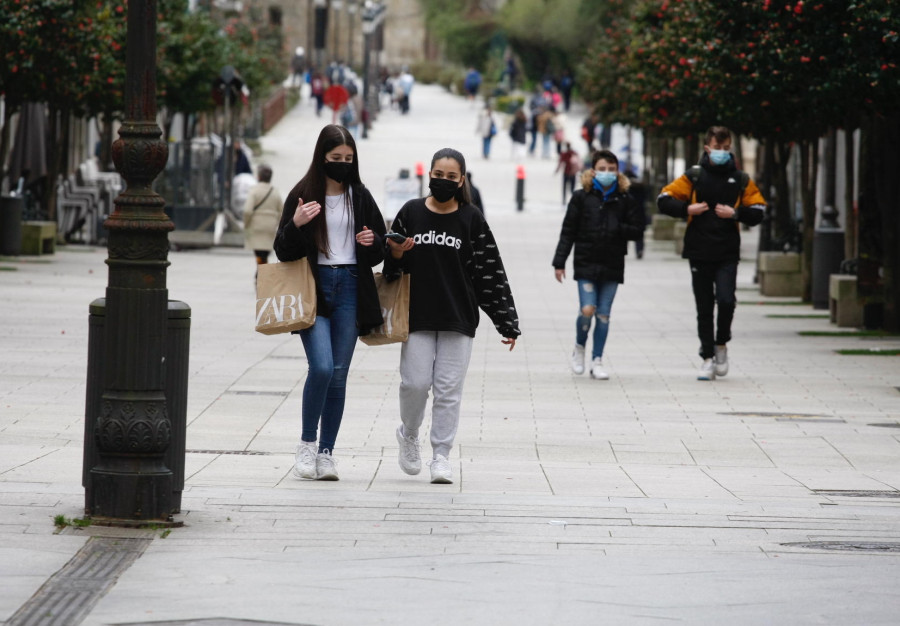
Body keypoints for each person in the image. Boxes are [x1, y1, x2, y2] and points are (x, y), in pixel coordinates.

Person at [384, 148, 520, 484]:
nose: (443, 181)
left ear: (461, 180)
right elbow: (390, 271)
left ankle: (441, 455)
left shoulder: (471, 218)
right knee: (414, 384)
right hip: (416, 315)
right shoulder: (411, 212)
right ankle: (410, 434)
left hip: (458, 318)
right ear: (429, 175)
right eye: (438, 175)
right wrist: (397, 253)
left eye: (451, 177)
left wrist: (506, 321)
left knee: (448, 391)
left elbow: (490, 271)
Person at [273, 124, 387, 480]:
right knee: (321, 367)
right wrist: (296, 222)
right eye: (336, 158)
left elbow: (381, 248)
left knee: (338, 375)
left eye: (348, 158)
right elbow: (282, 249)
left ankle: (327, 454)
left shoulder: (360, 195)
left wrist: (372, 242)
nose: (342, 163)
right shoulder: (303, 194)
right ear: (322, 157)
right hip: (315, 288)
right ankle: (307, 444)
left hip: (352, 285)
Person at [657, 125, 766, 380]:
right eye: (717, 148)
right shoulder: (694, 176)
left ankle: (721, 344)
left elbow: (759, 210)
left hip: (727, 250)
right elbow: (664, 199)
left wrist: (735, 214)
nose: (721, 153)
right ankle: (707, 357)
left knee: (726, 300)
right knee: (704, 306)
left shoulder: (740, 179)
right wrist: (687, 209)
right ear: (708, 148)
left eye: (726, 149)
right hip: (698, 249)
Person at [552, 149, 645, 380]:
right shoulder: (581, 197)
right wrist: (559, 262)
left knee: (603, 314)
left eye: (611, 170)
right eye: (602, 169)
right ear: (593, 171)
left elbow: (638, 229)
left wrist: (619, 227)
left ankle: (597, 360)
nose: (607, 173)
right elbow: (568, 231)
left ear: (618, 171)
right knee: (587, 309)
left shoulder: (625, 198)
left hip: (612, 265)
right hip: (586, 262)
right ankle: (579, 348)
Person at [243, 164, 282, 273]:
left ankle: (260, 273)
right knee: (264, 253)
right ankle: (262, 272)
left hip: (256, 226)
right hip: (270, 227)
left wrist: (246, 224)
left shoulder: (254, 191)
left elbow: (247, 210)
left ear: (258, 177)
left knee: (259, 253)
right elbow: (282, 211)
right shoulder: (275, 192)